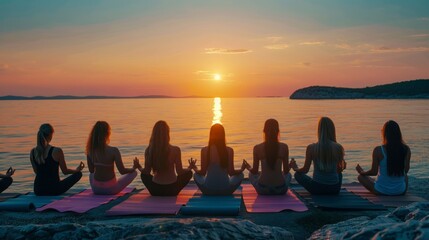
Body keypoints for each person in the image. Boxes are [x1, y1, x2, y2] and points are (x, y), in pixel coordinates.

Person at [290, 117, 346, 195]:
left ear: (319, 130)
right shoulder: (338, 147)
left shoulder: (311, 148)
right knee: (339, 174)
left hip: (317, 189)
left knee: (297, 175)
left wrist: (295, 167)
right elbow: (339, 170)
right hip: (334, 189)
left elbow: (305, 170)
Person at [137, 121, 193, 196]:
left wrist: (139, 167)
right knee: (189, 173)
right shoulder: (175, 150)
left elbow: (146, 172)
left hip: (155, 190)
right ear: (167, 134)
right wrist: (189, 168)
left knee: (143, 175)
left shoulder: (149, 150)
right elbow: (180, 172)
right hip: (172, 190)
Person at [356, 120, 410, 195]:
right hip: (400, 191)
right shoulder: (406, 149)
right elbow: (406, 170)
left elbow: (374, 172)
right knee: (406, 176)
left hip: (381, 191)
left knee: (360, 177)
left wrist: (362, 172)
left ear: (384, 134)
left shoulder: (378, 150)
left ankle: (379, 183)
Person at [189, 123, 245, 195]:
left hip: (208, 190)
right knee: (241, 175)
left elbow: (202, 173)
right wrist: (242, 169)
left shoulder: (205, 150)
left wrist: (194, 168)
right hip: (226, 190)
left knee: (195, 175)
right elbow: (231, 173)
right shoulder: (229, 150)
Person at [30, 123, 84, 196]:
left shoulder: (33, 152)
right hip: (54, 190)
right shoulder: (57, 151)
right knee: (78, 174)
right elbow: (65, 171)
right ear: (50, 135)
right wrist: (77, 170)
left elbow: (36, 172)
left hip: (38, 190)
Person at [86, 121, 138, 195]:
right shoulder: (114, 151)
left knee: (91, 175)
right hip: (111, 190)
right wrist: (133, 168)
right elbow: (122, 171)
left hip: (96, 189)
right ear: (107, 134)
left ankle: (100, 185)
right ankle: (110, 184)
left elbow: (91, 171)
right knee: (134, 173)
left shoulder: (90, 151)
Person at [244, 119, 291, 195]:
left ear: (264, 131)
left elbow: (254, 171)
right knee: (289, 175)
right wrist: (291, 165)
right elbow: (286, 171)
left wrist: (248, 167)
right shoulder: (284, 147)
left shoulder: (257, 148)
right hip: (280, 189)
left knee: (250, 174)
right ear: (278, 131)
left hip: (263, 189)